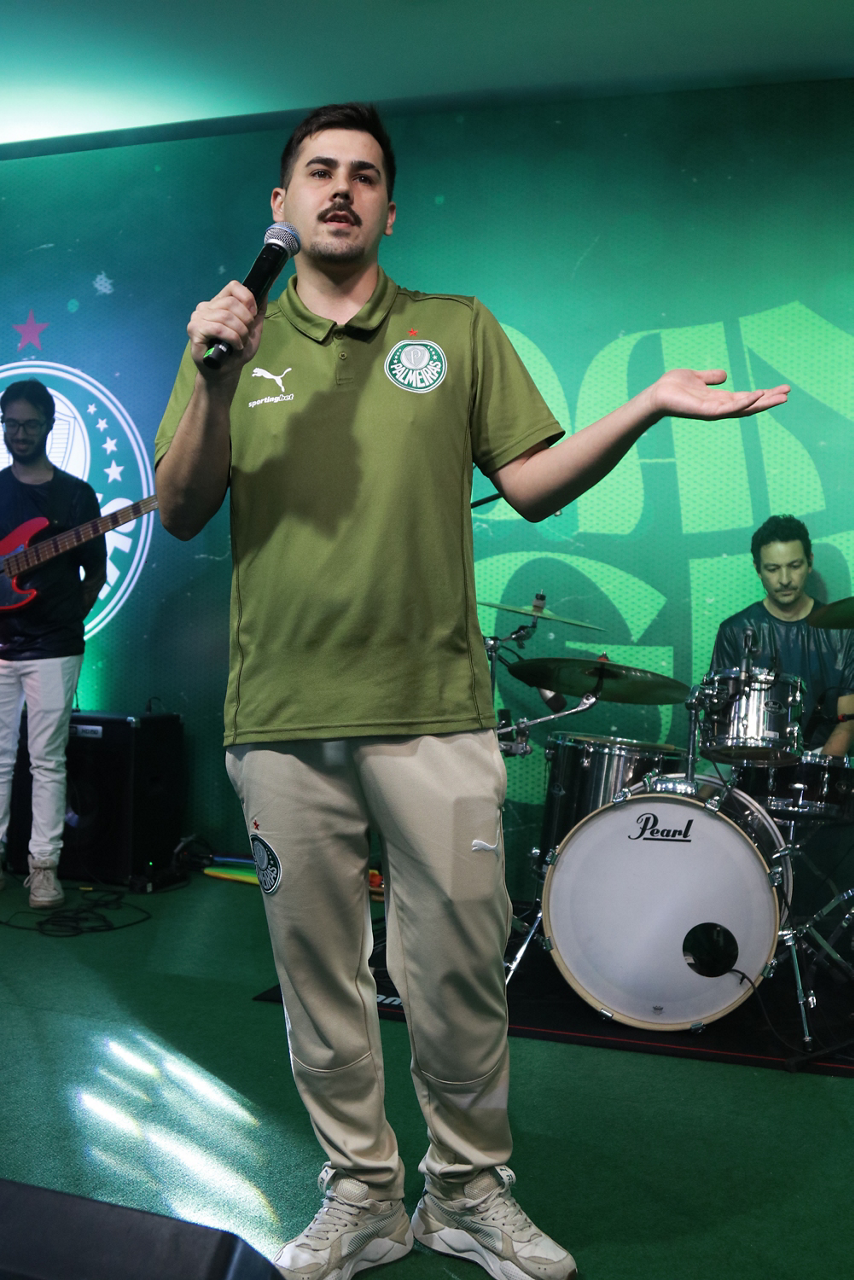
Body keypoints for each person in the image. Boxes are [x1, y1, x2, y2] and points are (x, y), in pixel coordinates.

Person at [154, 102, 789, 1280]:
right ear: (281, 205)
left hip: (434, 712)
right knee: (318, 979)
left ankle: (464, 1191)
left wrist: (644, 403)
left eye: (363, 175)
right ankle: (360, 1194)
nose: (340, 189)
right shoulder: (234, 340)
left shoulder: (453, 328)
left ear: (389, 210)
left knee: (453, 973)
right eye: (318, 172)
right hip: (282, 716)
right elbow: (183, 505)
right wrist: (210, 378)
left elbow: (533, 482)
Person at [0, 379, 106, 907]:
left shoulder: (76, 496)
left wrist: (68, 618)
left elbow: (95, 573)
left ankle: (43, 868)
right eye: (11, 424)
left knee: (46, 760)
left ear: (48, 426)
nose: (19, 434)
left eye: (30, 424)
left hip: (54, 646)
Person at [710, 514, 854, 756]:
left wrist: (814, 771)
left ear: (810, 562)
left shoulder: (843, 631)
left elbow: (848, 723)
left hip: (820, 761)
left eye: (794, 566)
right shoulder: (734, 631)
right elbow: (723, 723)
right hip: (752, 760)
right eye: (773, 569)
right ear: (757, 569)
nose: (785, 580)